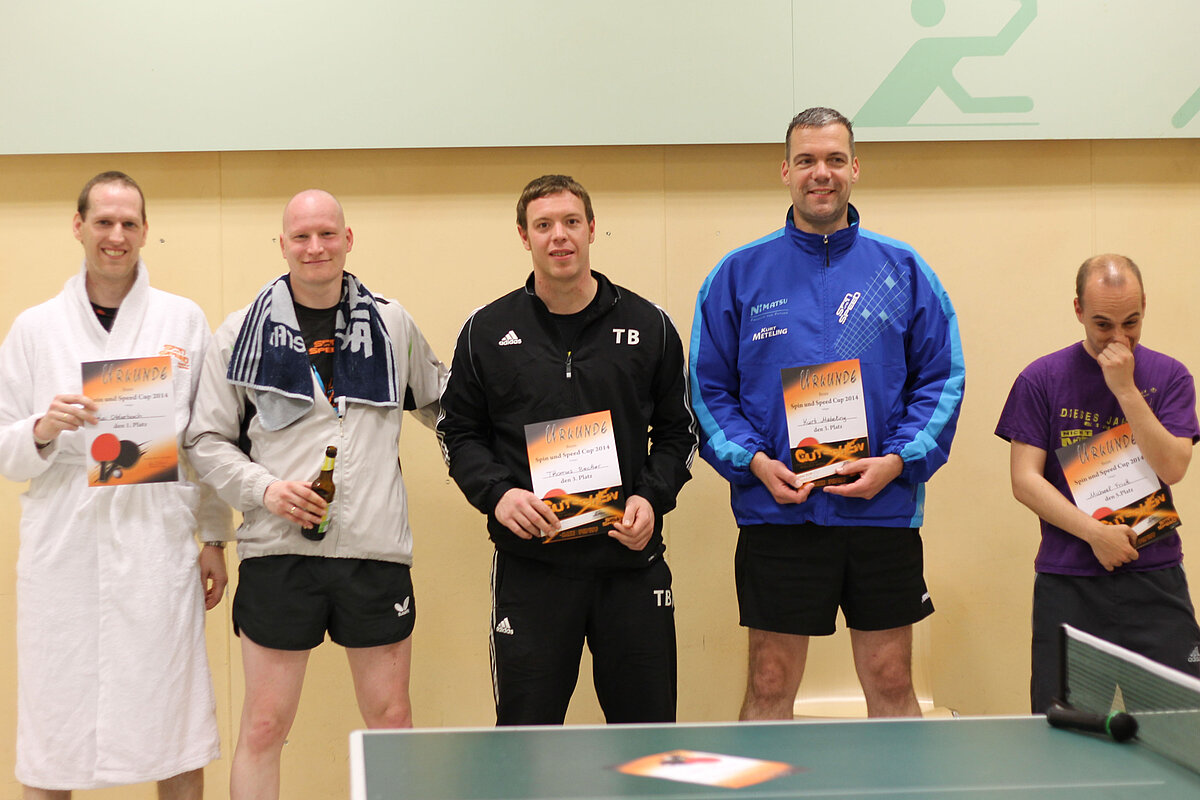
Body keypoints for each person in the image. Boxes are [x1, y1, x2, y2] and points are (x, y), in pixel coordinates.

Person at [690, 107, 964, 720]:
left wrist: (897, 462)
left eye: (835, 160)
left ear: (855, 168)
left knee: (892, 680)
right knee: (769, 682)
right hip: (778, 512)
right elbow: (708, 391)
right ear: (785, 171)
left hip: (881, 509)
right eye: (807, 160)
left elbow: (942, 379)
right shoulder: (737, 275)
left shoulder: (904, 270)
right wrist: (754, 463)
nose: (822, 173)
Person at [183, 190, 445, 800]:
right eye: (301, 236)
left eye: (327, 234)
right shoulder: (239, 333)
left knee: (391, 722)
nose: (315, 247)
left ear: (348, 240)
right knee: (264, 726)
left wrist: (520, 461)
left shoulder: (393, 323)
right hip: (277, 554)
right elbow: (204, 440)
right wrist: (265, 489)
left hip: (374, 553)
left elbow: (446, 407)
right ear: (282, 245)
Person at [0, 171, 230, 798]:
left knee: (174, 717)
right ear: (78, 226)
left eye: (129, 223)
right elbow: (7, 450)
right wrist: (43, 429)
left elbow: (206, 439)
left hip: (155, 539)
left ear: (146, 231)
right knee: (53, 726)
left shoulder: (181, 319)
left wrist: (214, 537)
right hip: (64, 548)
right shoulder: (35, 328)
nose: (116, 235)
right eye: (103, 221)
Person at [437, 174, 697, 725]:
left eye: (571, 222)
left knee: (646, 736)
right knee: (526, 739)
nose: (559, 236)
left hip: (629, 564)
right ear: (523, 236)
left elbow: (680, 432)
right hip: (532, 569)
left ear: (592, 229)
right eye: (544, 225)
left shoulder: (649, 325)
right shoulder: (486, 331)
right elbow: (457, 432)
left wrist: (651, 499)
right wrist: (498, 495)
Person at [995, 254, 1200, 712]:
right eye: (1103, 324)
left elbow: (1173, 467)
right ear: (1078, 310)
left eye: (1132, 322)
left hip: (1155, 575)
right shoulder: (1041, 379)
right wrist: (1095, 534)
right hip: (1069, 580)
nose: (1119, 338)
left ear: (1144, 306)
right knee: (1065, 727)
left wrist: (1125, 388)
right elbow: (1024, 480)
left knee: (1180, 720)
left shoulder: (1170, 376)